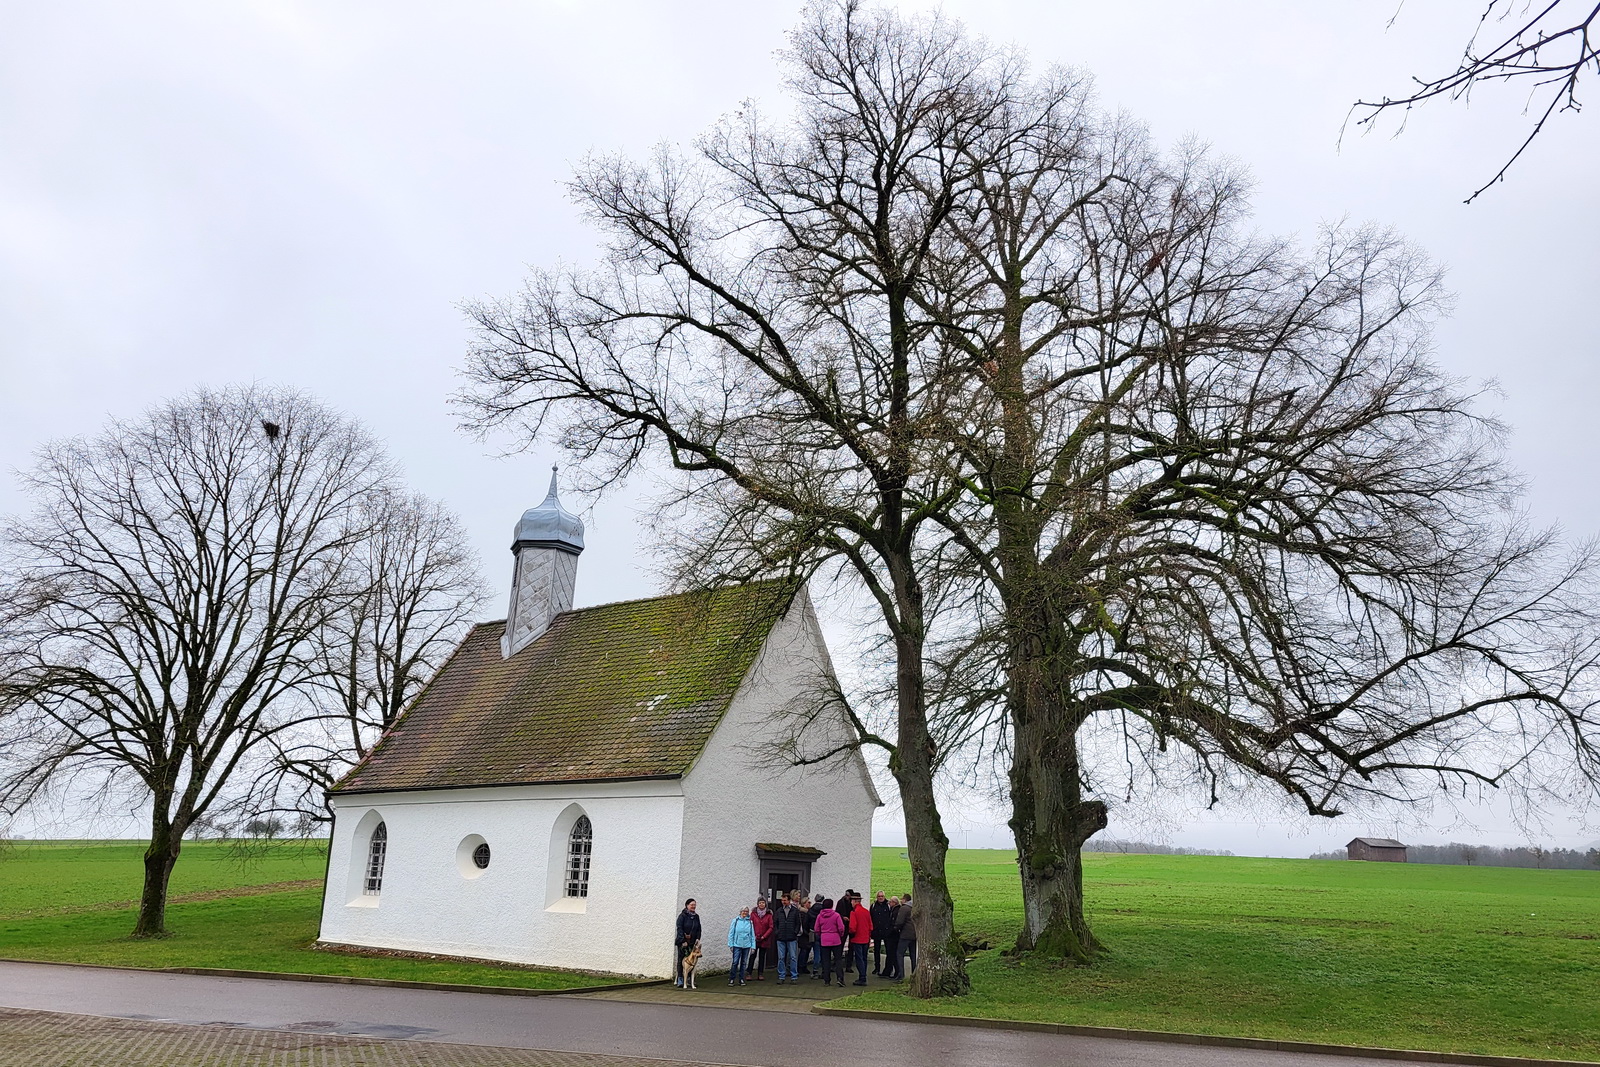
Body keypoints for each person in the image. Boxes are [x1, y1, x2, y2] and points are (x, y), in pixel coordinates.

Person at [812, 896, 846, 986]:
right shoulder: (836, 915)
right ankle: (840, 978)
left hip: (824, 940)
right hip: (836, 939)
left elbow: (816, 928)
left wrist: (821, 935)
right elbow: (841, 928)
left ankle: (827, 980)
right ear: (832, 905)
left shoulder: (820, 916)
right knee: (838, 960)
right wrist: (840, 935)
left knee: (825, 960)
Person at [772, 893, 804, 984]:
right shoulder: (779, 911)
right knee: (781, 958)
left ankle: (794, 976)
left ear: (789, 900)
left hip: (791, 937)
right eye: (782, 900)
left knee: (793, 957)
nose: (783, 902)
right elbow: (775, 923)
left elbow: (798, 923)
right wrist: (777, 932)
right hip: (781, 937)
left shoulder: (795, 911)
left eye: (784, 900)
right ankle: (781, 976)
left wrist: (795, 932)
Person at [847, 891, 872, 985]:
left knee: (859, 959)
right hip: (866, 939)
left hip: (857, 939)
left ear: (854, 901)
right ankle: (864, 975)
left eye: (852, 901)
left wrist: (850, 933)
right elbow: (871, 926)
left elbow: (852, 927)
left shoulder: (853, 913)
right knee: (864, 958)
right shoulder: (866, 912)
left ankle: (862, 977)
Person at [674, 898, 701, 987]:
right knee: (681, 959)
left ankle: (689, 979)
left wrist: (697, 938)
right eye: (692, 905)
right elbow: (679, 928)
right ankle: (680, 978)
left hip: (692, 942)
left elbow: (698, 928)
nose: (693, 906)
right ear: (687, 905)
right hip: (683, 942)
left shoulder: (696, 917)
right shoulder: (682, 916)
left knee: (691, 960)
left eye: (694, 905)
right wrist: (683, 940)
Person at [726, 906, 755, 985]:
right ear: (740, 912)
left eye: (746, 911)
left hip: (747, 945)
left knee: (744, 963)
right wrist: (731, 944)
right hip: (737, 945)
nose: (745, 913)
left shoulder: (750, 922)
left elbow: (752, 935)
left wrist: (753, 946)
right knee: (735, 962)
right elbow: (731, 934)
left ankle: (741, 979)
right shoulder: (735, 921)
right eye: (743, 911)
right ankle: (732, 978)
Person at [750, 897, 775, 980]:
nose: (761, 904)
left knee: (762, 957)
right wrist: (753, 935)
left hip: (764, 939)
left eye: (763, 903)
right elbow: (750, 925)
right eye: (760, 903)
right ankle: (749, 972)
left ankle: (760, 973)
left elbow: (771, 927)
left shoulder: (769, 915)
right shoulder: (753, 914)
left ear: (765, 904)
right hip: (755, 939)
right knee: (752, 956)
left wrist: (764, 936)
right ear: (757, 904)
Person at [870, 890, 892, 975]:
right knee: (876, 951)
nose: (880, 898)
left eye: (882, 896)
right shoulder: (873, 906)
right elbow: (870, 917)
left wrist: (889, 929)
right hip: (876, 931)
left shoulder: (888, 905)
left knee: (888, 950)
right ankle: (877, 968)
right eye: (879, 896)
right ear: (877, 897)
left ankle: (888, 968)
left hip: (886, 932)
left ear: (884, 897)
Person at [894, 893, 916, 976]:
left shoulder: (904, 908)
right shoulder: (914, 907)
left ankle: (901, 974)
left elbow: (899, 921)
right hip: (914, 934)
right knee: (913, 955)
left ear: (905, 899)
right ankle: (914, 973)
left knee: (900, 954)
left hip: (905, 934)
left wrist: (896, 928)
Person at [882, 895, 902, 979]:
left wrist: (888, 932)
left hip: (893, 936)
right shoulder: (894, 910)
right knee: (891, 954)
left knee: (892, 954)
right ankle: (888, 971)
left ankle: (896, 971)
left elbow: (894, 924)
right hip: (893, 936)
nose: (889, 903)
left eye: (890, 902)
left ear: (894, 903)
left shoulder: (895, 911)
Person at [807, 895, 827, 978]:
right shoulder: (824, 910)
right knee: (824, 952)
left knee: (816, 951)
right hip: (823, 933)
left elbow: (806, 922)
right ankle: (824, 970)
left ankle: (815, 970)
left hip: (813, 932)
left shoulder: (811, 910)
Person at [837, 891, 855, 973]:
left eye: (848, 895)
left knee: (851, 947)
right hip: (843, 926)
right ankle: (837, 965)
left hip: (851, 926)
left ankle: (849, 965)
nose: (846, 897)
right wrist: (843, 917)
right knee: (840, 945)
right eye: (846, 895)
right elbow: (837, 913)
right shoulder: (840, 902)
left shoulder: (852, 903)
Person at [796, 895, 813, 975]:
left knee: (807, 950)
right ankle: (801, 966)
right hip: (804, 934)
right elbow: (803, 924)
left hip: (807, 933)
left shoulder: (808, 912)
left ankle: (803, 966)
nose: (810, 904)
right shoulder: (802, 913)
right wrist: (806, 932)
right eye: (808, 902)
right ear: (804, 904)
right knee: (804, 950)